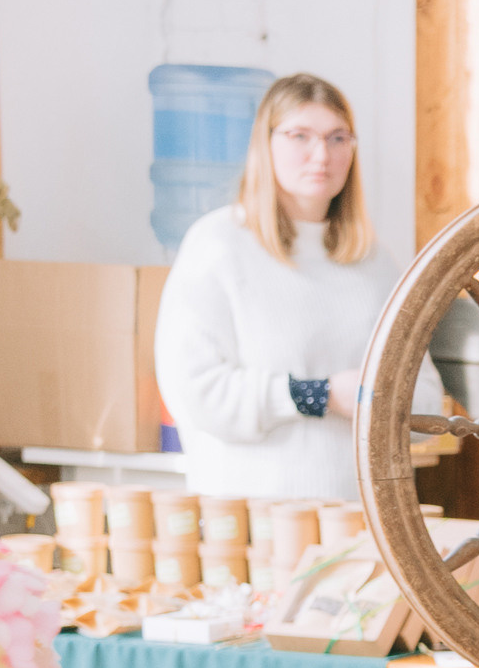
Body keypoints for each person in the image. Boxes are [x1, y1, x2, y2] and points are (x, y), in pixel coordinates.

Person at [154, 74, 426, 499]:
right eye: (301, 136)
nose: (322, 155)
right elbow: (195, 392)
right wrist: (317, 396)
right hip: (249, 521)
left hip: (358, 523)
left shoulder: (376, 263)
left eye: (338, 138)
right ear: (266, 142)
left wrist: (379, 400)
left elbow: (425, 401)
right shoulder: (218, 244)